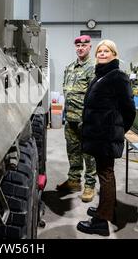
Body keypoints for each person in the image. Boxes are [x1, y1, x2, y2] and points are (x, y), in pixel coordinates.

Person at [77, 40, 136, 236]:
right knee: (105, 173)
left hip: (106, 136)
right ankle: (107, 209)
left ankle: (101, 222)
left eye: (107, 51)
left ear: (114, 54)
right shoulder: (100, 75)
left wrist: (116, 131)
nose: (102, 54)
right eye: (100, 51)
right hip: (99, 136)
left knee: (106, 174)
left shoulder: (118, 76)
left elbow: (129, 110)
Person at [56, 35, 97, 202]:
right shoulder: (70, 67)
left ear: (90, 47)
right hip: (70, 118)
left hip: (86, 119)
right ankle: (74, 180)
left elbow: (95, 95)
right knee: (73, 151)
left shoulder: (93, 68)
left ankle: (89, 185)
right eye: (78, 45)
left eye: (84, 45)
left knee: (89, 153)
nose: (80, 48)